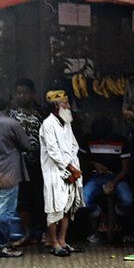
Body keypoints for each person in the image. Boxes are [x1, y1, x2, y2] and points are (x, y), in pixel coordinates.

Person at [38, 90, 83, 257]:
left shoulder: (66, 123)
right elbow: (53, 152)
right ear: (56, 106)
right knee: (54, 208)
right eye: (65, 103)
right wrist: (70, 168)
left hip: (70, 170)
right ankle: (54, 243)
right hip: (54, 172)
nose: (69, 106)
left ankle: (62, 241)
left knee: (67, 208)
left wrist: (72, 166)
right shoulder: (48, 124)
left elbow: (74, 145)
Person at [79, 117, 134, 241]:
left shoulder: (121, 141)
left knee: (127, 200)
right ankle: (100, 215)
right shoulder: (87, 139)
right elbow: (81, 160)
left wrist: (114, 182)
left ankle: (115, 215)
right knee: (84, 200)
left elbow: (126, 168)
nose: (102, 140)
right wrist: (94, 164)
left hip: (117, 177)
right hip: (95, 177)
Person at [9, 78, 45, 246]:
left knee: (41, 198)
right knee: (22, 200)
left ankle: (43, 232)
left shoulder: (41, 114)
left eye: (25, 93)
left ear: (33, 94)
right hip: (19, 164)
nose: (22, 96)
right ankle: (28, 233)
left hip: (40, 164)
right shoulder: (11, 114)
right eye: (19, 93)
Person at [0, 95, 31, 258]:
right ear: (7, 105)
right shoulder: (11, 123)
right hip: (8, 172)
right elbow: (27, 145)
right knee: (5, 210)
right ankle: (2, 245)